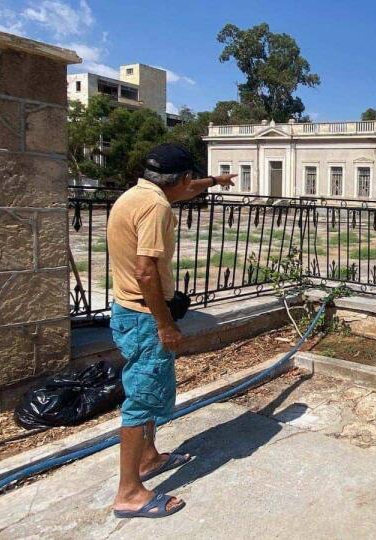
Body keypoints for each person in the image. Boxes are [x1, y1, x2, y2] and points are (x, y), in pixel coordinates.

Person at [106, 144, 236, 518]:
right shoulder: (157, 207)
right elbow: (146, 270)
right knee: (142, 398)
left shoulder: (137, 194)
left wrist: (215, 181)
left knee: (145, 391)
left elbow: (188, 186)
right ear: (178, 180)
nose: (191, 186)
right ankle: (129, 493)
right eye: (189, 180)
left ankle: (147, 458)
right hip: (145, 317)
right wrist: (165, 324)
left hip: (129, 312)